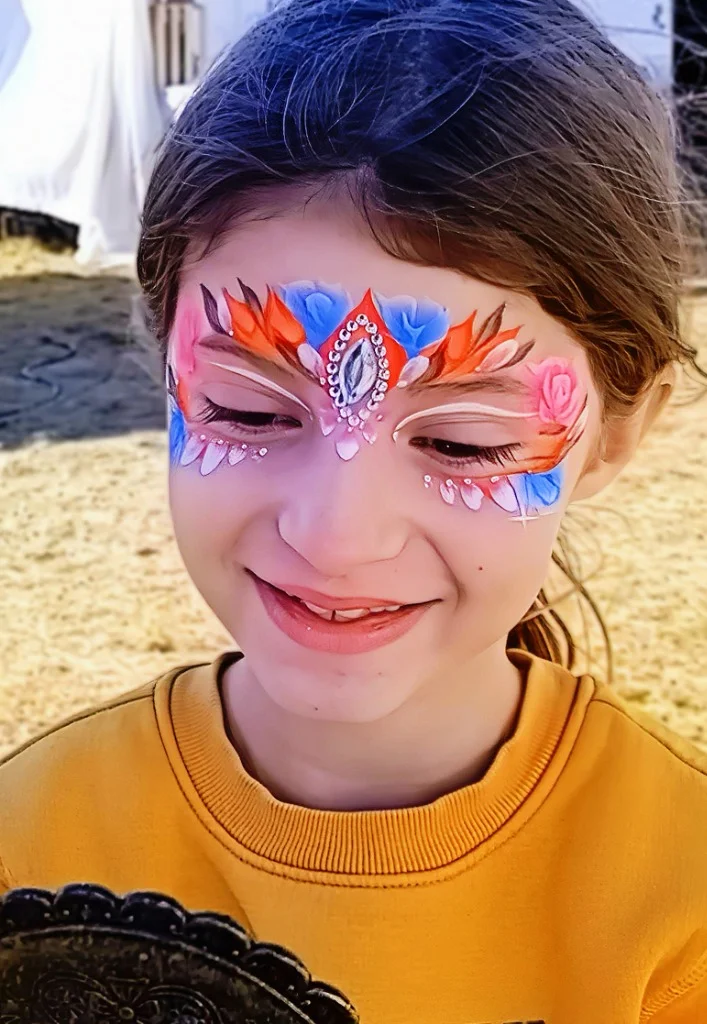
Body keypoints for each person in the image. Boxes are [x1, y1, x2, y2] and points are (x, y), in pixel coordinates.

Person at [0, 1, 705, 1021]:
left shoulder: (674, 898)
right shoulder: (34, 841)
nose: (334, 534)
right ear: (167, 369)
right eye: (248, 410)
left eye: (460, 442)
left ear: (617, 428)